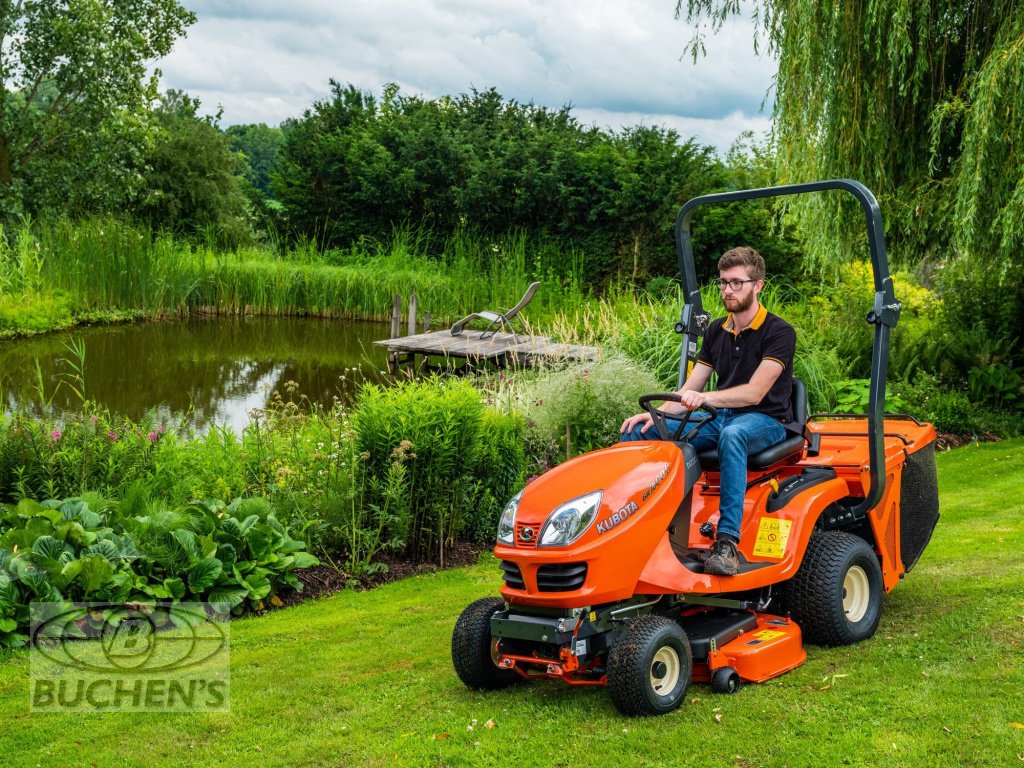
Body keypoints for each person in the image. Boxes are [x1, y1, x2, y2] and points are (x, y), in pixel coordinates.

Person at [620, 246, 796, 576]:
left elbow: (755, 392)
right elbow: (691, 387)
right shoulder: (717, 330)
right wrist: (658, 415)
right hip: (723, 417)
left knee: (733, 435)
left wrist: (707, 399)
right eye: (723, 283)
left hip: (767, 420)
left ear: (757, 285)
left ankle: (727, 543)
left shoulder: (779, 332)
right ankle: (632, 528)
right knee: (638, 431)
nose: (727, 290)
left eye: (736, 283)